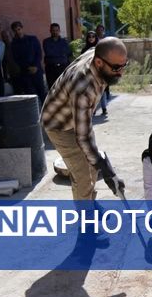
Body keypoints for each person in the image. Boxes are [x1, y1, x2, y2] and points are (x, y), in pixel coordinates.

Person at [41, 37, 129, 202]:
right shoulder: (84, 87)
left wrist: (101, 165)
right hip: (59, 124)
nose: (121, 72)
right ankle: (86, 220)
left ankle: (91, 204)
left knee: (93, 166)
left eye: (124, 65)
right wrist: (109, 172)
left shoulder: (99, 55)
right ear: (98, 63)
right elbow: (83, 137)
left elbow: (85, 135)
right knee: (82, 176)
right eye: (116, 67)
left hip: (78, 117)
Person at [10, 21, 46, 103]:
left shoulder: (33, 39)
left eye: (19, 29)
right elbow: (16, 59)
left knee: (42, 92)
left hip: (37, 70)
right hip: (25, 72)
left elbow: (39, 53)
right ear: (13, 31)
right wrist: (27, 67)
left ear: (22, 28)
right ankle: (34, 113)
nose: (18, 32)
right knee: (31, 95)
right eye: (15, 30)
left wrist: (36, 66)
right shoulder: (14, 44)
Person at [81, 31, 107, 117]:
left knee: (101, 91)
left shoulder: (99, 48)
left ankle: (104, 108)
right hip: (89, 72)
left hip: (99, 72)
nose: (91, 38)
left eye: (93, 36)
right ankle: (94, 109)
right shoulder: (84, 49)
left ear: (96, 38)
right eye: (89, 37)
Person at [43, 23, 71, 89]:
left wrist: (56, 52)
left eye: (57, 30)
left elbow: (68, 52)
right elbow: (48, 53)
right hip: (51, 68)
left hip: (62, 67)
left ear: (59, 31)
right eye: (53, 30)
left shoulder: (64, 41)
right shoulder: (46, 41)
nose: (55, 32)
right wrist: (61, 53)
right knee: (52, 88)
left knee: (63, 87)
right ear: (50, 31)